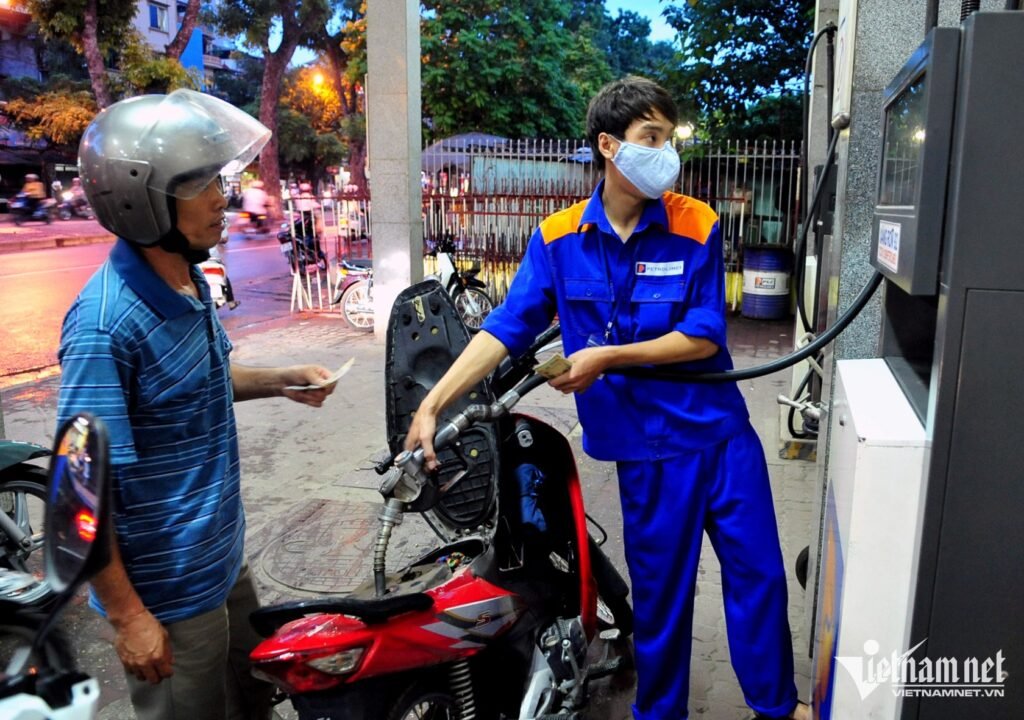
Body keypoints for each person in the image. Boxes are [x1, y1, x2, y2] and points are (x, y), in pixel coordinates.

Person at [404, 76, 809, 720]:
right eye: (652, 137)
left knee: (758, 580)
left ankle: (776, 707)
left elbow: (704, 334)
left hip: (721, 440)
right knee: (661, 601)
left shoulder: (695, 222)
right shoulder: (558, 237)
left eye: (669, 139)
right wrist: (434, 403)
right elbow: (506, 327)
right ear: (609, 145)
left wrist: (608, 357)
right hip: (645, 455)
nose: (666, 153)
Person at [56, 89, 337, 720]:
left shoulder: (187, 281)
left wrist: (282, 379)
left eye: (219, 179)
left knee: (256, 697)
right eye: (199, 184)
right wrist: (129, 616)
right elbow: (77, 494)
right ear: (138, 199)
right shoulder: (105, 326)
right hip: (165, 594)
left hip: (220, 560)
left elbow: (200, 381)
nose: (221, 199)